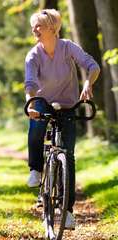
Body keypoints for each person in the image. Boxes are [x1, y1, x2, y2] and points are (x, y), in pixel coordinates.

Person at [24, 9, 100, 229]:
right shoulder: (33, 55)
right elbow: (30, 85)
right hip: (42, 101)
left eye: (39, 25)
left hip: (67, 104)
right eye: (33, 26)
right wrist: (31, 103)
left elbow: (92, 66)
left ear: (52, 28)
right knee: (36, 126)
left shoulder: (67, 47)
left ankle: (67, 211)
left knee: (68, 154)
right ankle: (36, 170)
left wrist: (88, 83)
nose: (34, 29)